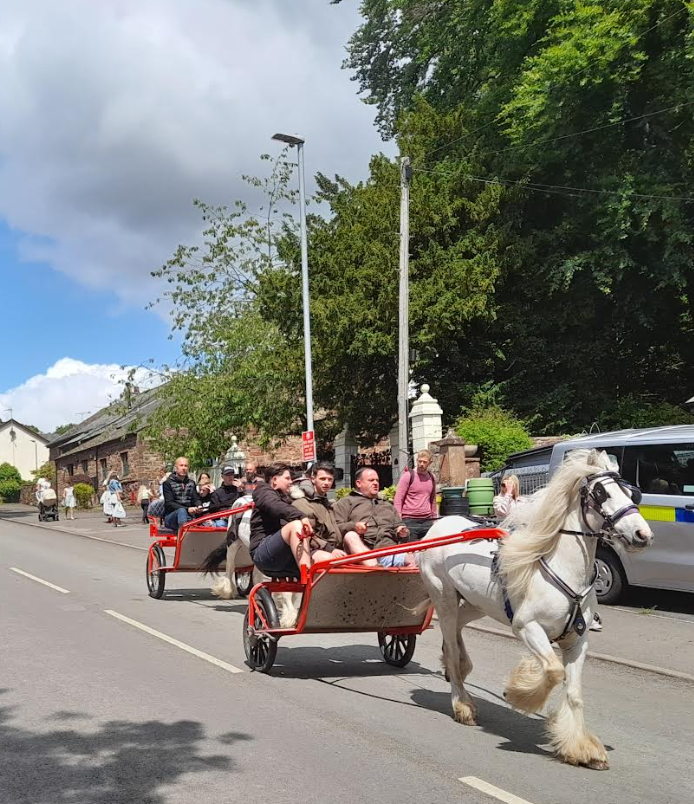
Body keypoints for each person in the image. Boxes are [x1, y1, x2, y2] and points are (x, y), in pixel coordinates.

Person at [290, 462, 378, 566]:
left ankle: (376, 570)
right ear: (313, 479)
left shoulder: (327, 504)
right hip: (312, 551)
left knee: (351, 535)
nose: (326, 483)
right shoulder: (302, 504)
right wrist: (330, 549)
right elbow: (308, 536)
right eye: (322, 479)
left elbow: (335, 530)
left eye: (330, 479)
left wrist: (353, 527)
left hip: (334, 548)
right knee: (335, 560)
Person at [333, 467, 415, 568]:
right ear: (359, 483)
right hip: (362, 551)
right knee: (350, 535)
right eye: (371, 480)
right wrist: (354, 527)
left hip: (388, 550)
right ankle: (375, 569)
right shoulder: (345, 503)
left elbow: (401, 530)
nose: (375, 483)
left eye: (377, 480)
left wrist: (402, 532)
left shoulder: (387, 505)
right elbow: (335, 528)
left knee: (417, 558)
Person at [249, 463, 316, 576]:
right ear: (274, 480)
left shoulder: (287, 498)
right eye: (287, 478)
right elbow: (274, 505)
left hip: (287, 557)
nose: (291, 482)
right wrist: (301, 516)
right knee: (296, 525)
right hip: (263, 553)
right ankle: (307, 577)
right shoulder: (263, 491)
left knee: (325, 557)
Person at [393, 449, 438, 541]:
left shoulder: (432, 478)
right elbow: (398, 499)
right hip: (410, 520)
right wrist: (399, 522)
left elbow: (432, 499)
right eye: (419, 461)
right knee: (411, 552)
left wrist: (434, 518)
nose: (421, 464)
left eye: (424, 462)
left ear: (430, 463)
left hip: (427, 520)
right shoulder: (408, 476)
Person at [163, 457, 203, 533]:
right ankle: (184, 534)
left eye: (186, 466)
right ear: (176, 468)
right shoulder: (167, 483)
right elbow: (169, 503)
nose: (184, 468)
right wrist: (187, 509)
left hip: (188, 516)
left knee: (202, 514)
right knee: (181, 511)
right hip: (171, 517)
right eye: (181, 465)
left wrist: (199, 506)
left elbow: (196, 499)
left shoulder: (191, 483)